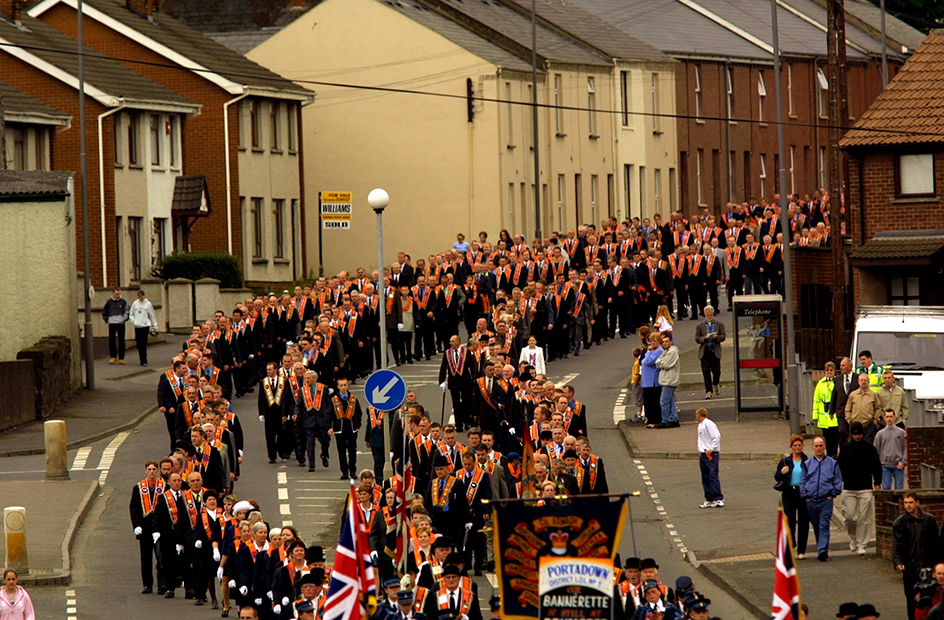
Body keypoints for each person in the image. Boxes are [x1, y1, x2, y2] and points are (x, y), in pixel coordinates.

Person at [893, 491, 942, 620]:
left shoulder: (928, 519)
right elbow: (897, 544)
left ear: (917, 502)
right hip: (911, 567)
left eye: (910, 502)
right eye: (905, 503)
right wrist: (898, 561)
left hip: (928, 566)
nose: (908, 506)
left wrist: (938, 563)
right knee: (912, 598)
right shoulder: (900, 523)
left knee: (932, 597)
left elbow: (935, 543)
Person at [837, 421, 882, 556]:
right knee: (849, 516)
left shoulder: (870, 448)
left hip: (865, 488)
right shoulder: (845, 448)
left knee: (864, 517)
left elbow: (876, 466)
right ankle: (853, 537)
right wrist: (840, 481)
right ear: (851, 434)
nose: (857, 437)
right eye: (855, 434)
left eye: (859, 434)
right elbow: (838, 466)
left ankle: (862, 544)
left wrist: (877, 482)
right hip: (849, 488)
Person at [801, 436, 843, 562]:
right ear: (813, 448)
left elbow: (837, 481)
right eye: (816, 446)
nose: (819, 448)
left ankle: (822, 550)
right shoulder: (807, 464)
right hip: (811, 500)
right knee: (816, 525)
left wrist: (832, 494)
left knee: (824, 524)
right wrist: (806, 496)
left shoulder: (832, 463)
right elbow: (803, 481)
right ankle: (821, 546)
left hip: (826, 499)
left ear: (824, 447)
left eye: (821, 446)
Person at [775, 435, 809, 559]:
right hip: (789, 493)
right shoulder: (785, 461)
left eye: (799, 445)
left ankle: (801, 551)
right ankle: (792, 543)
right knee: (789, 520)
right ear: (791, 447)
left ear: (802, 446)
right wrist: (782, 472)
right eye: (795, 446)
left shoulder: (807, 461)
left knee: (803, 522)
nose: (797, 447)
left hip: (803, 494)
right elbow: (777, 477)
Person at [694, 306, 725, 400]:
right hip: (705, 350)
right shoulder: (699, 326)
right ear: (705, 314)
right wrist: (705, 338)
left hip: (715, 350)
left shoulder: (719, 324)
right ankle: (708, 391)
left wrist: (716, 337)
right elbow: (697, 338)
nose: (709, 317)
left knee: (716, 371)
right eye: (708, 315)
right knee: (706, 371)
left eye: (711, 315)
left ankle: (716, 383)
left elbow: (723, 336)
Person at [695, 408, 723, 509]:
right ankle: (709, 498)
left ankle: (718, 498)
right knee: (705, 476)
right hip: (703, 453)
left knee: (712, 475)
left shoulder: (708, 424)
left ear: (698, 415)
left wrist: (712, 448)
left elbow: (716, 436)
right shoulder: (700, 425)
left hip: (711, 453)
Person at [874, 409, 907, 490]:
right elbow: (875, 450)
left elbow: (906, 448)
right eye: (887, 417)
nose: (889, 419)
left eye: (891, 416)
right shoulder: (880, 434)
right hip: (885, 465)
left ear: (895, 418)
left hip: (898, 465)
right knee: (886, 489)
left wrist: (903, 462)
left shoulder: (901, 432)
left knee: (899, 489)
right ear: (884, 418)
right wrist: (878, 465)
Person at [845, 374, 883, 444]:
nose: (863, 382)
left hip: (868, 425)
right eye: (861, 380)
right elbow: (848, 408)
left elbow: (878, 408)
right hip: (855, 424)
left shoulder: (873, 395)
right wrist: (849, 420)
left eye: (865, 380)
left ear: (868, 382)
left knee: (867, 446)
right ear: (858, 382)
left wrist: (875, 421)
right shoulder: (853, 395)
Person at [812, 361, 839, 456]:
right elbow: (816, 399)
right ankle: (828, 455)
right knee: (826, 438)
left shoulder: (837, 382)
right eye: (827, 370)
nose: (829, 372)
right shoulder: (820, 383)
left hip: (834, 415)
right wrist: (815, 415)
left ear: (834, 371)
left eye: (831, 370)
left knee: (834, 438)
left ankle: (834, 455)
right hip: (824, 416)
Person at [655, 333, 680, 428]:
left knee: (664, 401)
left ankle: (665, 420)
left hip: (669, 380)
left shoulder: (672, 352)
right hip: (666, 380)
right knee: (670, 401)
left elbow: (665, 364)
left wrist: (660, 363)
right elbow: (658, 361)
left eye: (666, 341)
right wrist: (660, 363)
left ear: (671, 341)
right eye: (663, 342)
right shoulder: (666, 351)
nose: (664, 343)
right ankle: (674, 419)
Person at [129, 289, 157, 366]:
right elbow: (130, 314)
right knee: (138, 343)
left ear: (144, 296)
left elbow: (152, 315)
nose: (140, 298)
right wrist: (133, 321)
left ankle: (144, 361)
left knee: (143, 344)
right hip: (137, 326)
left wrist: (154, 326)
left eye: (141, 297)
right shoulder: (135, 304)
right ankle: (141, 357)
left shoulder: (148, 304)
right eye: (139, 297)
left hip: (145, 326)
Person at [103, 287, 129, 364]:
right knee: (112, 340)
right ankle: (113, 356)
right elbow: (105, 312)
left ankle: (121, 357)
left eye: (119, 294)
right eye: (117, 294)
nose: (118, 295)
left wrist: (123, 319)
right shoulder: (109, 302)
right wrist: (107, 319)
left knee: (121, 340)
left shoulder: (123, 302)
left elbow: (126, 311)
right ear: (113, 293)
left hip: (120, 323)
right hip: (112, 323)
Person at [641, 333, 662, 428]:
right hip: (646, 381)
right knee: (648, 401)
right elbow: (642, 361)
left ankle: (655, 420)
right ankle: (650, 418)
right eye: (651, 340)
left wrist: (648, 352)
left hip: (653, 381)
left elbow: (649, 362)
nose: (652, 343)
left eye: (655, 341)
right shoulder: (652, 351)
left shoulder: (658, 351)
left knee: (654, 402)